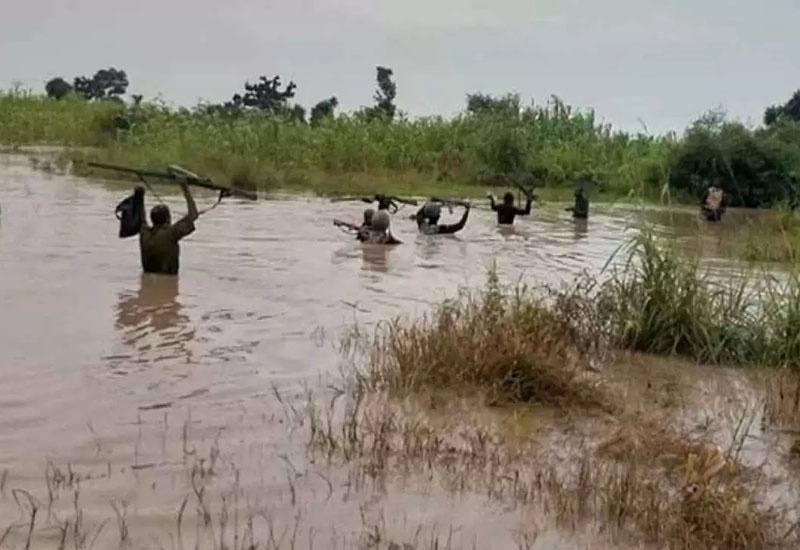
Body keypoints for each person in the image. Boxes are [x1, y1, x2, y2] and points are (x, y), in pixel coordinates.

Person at [138, 180, 199, 275]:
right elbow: (193, 215)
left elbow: (141, 217)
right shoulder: (171, 234)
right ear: (168, 219)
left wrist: (139, 196)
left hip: (148, 278)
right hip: (169, 278)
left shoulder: (144, 233)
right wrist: (185, 189)